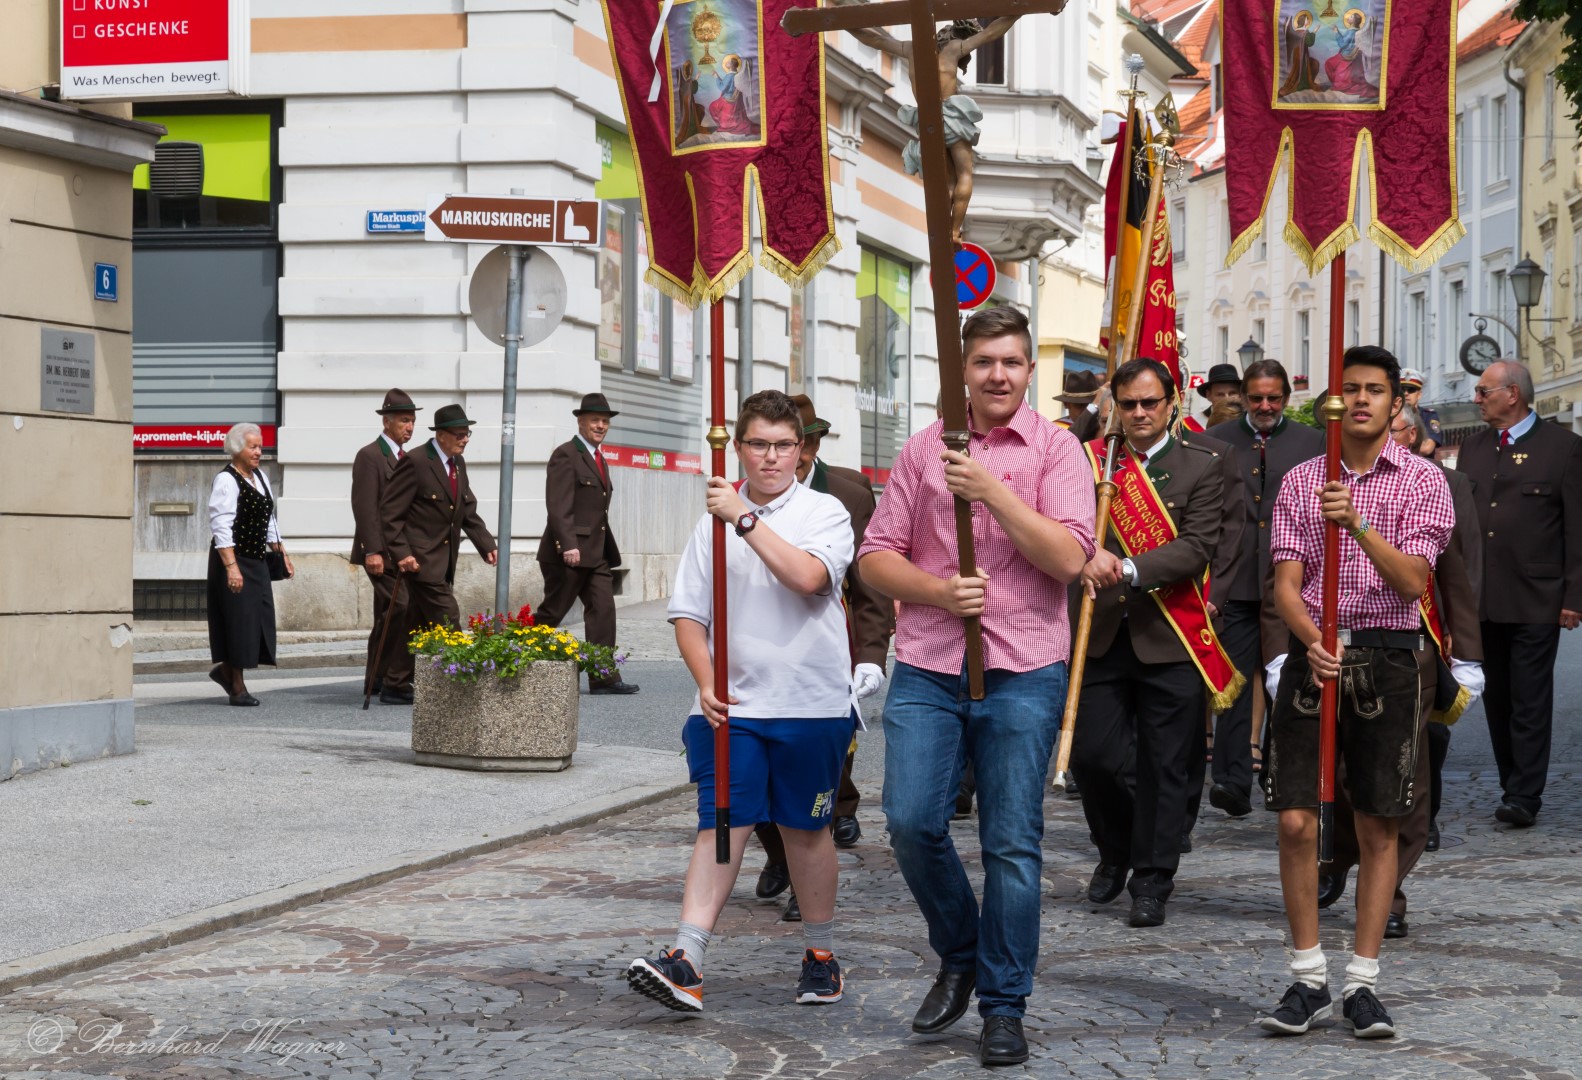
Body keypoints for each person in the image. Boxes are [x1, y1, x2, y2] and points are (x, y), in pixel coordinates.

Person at [858, 306, 1096, 1067]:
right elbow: (875, 556)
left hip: (1025, 667)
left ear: (1030, 371)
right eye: (985, 361)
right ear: (963, 368)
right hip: (930, 661)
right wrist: (936, 591)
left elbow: (1069, 559)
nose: (999, 375)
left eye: (1012, 362)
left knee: (1011, 844)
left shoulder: (1059, 450)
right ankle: (961, 949)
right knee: (909, 820)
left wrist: (992, 491)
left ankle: (1003, 1005)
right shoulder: (923, 448)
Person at [625, 389, 857, 1014]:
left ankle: (820, 955)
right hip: (734, 708)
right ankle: (686, 958)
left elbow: (808, 579)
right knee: (722, 824)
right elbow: (688, 615)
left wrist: (744, 520)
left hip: (810, 704)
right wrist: (705, 681)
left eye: (783, 445)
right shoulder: (712, 521)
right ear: (739, 447)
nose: (771, 457)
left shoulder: (824, 512)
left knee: (805, 831)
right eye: (758, 444)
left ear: (801, 450)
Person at [1260, 345, 1452, 1040]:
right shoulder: (1301, 479)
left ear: (1396, 402)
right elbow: (1286, 583)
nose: (1362, 400)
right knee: (1294, 820)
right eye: (1350, 390)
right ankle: (1307, 976)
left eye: (1375, 390)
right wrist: (1312, 638)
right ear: (1332, 404)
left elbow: (1412, 582)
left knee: (1377, 823)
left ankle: (1362, 983)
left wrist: (1357, 524)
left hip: (1389, 658)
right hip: (1316, 653)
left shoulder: (1423, 481)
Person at [1069, 358, 1233, 928]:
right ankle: (1115, 849)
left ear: (1171, 404)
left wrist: (1128, 567)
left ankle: (1152, 880)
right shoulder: (1089, 460)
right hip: (1099, 634)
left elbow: (1198, 545)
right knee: (1092, 759)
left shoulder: (1203, 464)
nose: (1139, 413)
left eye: (1150, 403)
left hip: (1170, 636)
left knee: (1165, 767)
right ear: (1115, 406)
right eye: (1129, 404)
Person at [1311, 402, 1483, 941]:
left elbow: (1459, 573)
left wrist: (1467, 653)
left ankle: (1389, 896)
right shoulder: (1314, 477)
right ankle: (1339, 855)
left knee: (1407, 777)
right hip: (1335, 645)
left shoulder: (1439, 483)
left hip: (1416, 648)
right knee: (1343, 771)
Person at [754, 395, 894, 921]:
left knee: (819, 775)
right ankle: (778, 855)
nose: (783, 456)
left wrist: (872, 655)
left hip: (830, 650)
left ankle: (805, 877)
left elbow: (871, 583)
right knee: (750, 777)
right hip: (759, 658)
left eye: (797, 443)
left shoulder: (849, 495)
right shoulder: (743, 494)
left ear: (810, 445)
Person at [1455, 360, 1582, 828]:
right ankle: (1512, 782)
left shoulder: (1564, 448)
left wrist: (1574, 596)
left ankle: (1525, 794)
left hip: (1537, 596)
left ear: (1513, 394)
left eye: (1483, 390)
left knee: (1529, 698)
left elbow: (1577, 528)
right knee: (1497, 699)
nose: (1476, 398)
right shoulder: (1473, 448)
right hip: (1483, 599)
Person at [1205, 360, 1324, 817]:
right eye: (1256, 398)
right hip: (1235, 580)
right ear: (1243, 397)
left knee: (1287, 680)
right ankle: (1231, 780)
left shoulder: (1312, 442)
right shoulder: (1218, 440)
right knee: (1233, 681)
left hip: (1291, 583)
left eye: (1274, 398)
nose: (1265, 406)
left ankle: (1279, 774)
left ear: (1287, 398)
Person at [847, 17, 1020, 246]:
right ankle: (954, 232)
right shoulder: (953, 49)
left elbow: (875, 39)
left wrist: (846, 23)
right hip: (952, 117)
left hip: (927, 121)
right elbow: (990, 33)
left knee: (948, 182)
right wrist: (1018, 12)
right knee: (965, 174)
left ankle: (944, 229)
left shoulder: (910, 49)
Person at [381, 404, 498, 682]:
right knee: (448, 614)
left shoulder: (457, 463)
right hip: (420, 560)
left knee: (416, 623)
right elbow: (390, 513)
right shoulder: (417, 461)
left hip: (443, 561)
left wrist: (486, 544)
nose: (465, 439)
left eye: (467, 434)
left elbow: (466, 509)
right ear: (441, 435)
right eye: (459, 434)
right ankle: (462, 681)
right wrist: (402, 553)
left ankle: (396, 682)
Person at [536, 393, 637, 695]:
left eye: (605, 421)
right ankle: (511, 656)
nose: (600, 426)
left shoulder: (599, 458)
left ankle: (603, 676)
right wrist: (568, 544)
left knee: (603, 610)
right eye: (595, 420)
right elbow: (558, 505)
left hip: (597, 553)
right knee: (551, 613)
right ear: (581, 421)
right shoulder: (566, 454)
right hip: (569, 553)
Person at [206, 422, 293, 706]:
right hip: (234, 558)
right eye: (253, 447)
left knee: (258, 619)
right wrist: (231, 567)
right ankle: (237, 687)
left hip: (257, 561)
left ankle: (225, 671)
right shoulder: (226, 480)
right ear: (237, 449)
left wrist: (282, 553)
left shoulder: (261, 477)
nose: (258, 452)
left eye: (260, 447)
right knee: (238, 621)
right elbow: (221, 525)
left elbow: (269, 521)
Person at [351, 389, 419, 702]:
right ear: (387, 422)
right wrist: (373, 550)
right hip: (380, 551)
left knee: (387, 613)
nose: (410, 427)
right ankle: (391, 679)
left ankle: (377, 678)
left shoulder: (407, 458)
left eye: (412, 420)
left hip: (402, 550)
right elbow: (365, 507)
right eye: (404, 420)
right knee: (400, 605)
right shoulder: (370, 456)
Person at [1052, 370, 1105, 443]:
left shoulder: (1100, 425)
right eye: (1080, 405)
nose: (1086, 410)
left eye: (1089, 405)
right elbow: (1069, 441)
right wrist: (1093, 406)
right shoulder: (1055, 429)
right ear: (1066, 404)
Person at [1398, 369, 1442, 456]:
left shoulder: (1428, 416)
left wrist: (1397, 447)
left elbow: (1427, 449)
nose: (1406, 393)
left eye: (1411, 390)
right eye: (1402, 390)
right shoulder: (1391, 415)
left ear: (1419, 395)